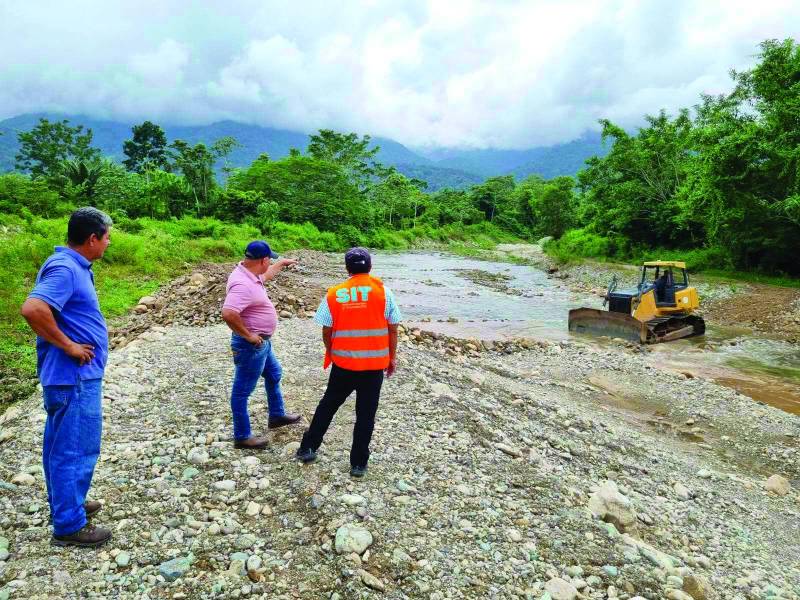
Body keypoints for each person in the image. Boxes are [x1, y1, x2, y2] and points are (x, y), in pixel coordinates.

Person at [20, 207, 114, 547]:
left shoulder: (75, 266)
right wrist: (70, 346)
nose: (108, 244)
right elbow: (33, 309)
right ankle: (69, 524)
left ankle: (69, 504)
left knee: (62, 446)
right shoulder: (65, 268)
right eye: (106, 238)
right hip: (73, 376)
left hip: (71, 377)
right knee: (76, 448)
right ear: (92, 239)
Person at [296, 247, 401, 478]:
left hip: (343, 365)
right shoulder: (384, 292)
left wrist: (332, 351)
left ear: (347, 268)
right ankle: (358, 464)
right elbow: (393, 328)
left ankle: (308, 448)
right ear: (370, 266)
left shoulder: (335, 293)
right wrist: (391, 358)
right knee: (366, 415)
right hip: (373, 368)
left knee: (328, 406)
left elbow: (326, 328)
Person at [221, 240, 301, 449]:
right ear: (263, 260)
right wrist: (248, 336)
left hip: (262, 344)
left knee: (274, 374)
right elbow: (228, 313)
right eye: (271, 259)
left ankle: (276, 416)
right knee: (241, 392)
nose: (270, 263)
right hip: (252, 346)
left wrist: (281, 263)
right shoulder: (243, 284)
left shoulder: (249, 273)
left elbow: (266, 275)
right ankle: (242, 436)